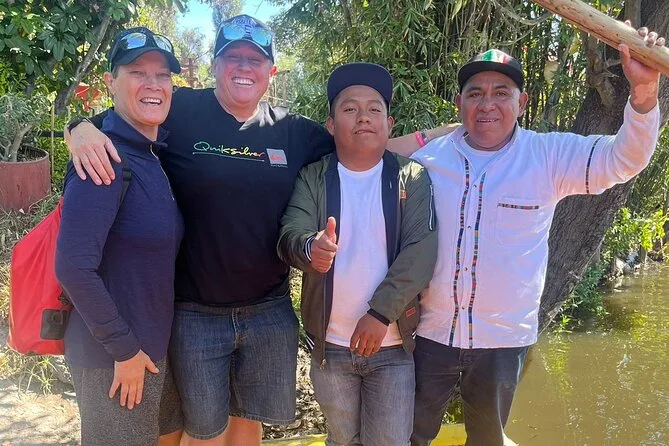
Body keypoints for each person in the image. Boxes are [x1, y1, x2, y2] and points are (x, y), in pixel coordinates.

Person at [65, 14, 456, 446]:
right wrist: (77, 129)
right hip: (195, 310)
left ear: (272, 71)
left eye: (255, 60)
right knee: (202, 431)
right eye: (232, 57)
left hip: (267, 310)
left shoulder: (293, 131)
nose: (243, 67)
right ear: (215, 65)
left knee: (248, 424)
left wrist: (447, 134)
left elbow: (363, 145)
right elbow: (121, 118)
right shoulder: (181, 108)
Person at [408, 24, 664, 446]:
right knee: (409, 434)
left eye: (501, 93)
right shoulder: (428, 161)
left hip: (503, 339)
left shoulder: (549, 156)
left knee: (487, 439)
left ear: (522, 102)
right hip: (431, 333)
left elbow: (623, 159)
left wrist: (643, 92)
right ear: (459, 102)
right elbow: (371, 166)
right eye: (475, 93)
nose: (487, 104)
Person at [277, 63, 438, 446]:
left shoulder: (412, 178)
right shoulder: (313, 177)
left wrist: (380, 314)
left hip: (392, 346)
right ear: (331, 125)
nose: (363, 116)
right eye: (350, 108)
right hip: (331, 348)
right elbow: (290, 233)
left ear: (389, 124)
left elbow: (421, 251)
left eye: (374, 109)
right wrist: (311, 249)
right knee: (341, 439)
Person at [55, 27, 184, 445]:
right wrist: (123, 349)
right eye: (137, 72)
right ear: (111, 82)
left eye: (162, 74)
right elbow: (73, 267)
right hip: (113, 358)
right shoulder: (103, 158)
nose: (153, 84)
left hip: (150, 349)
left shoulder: (151, 153)